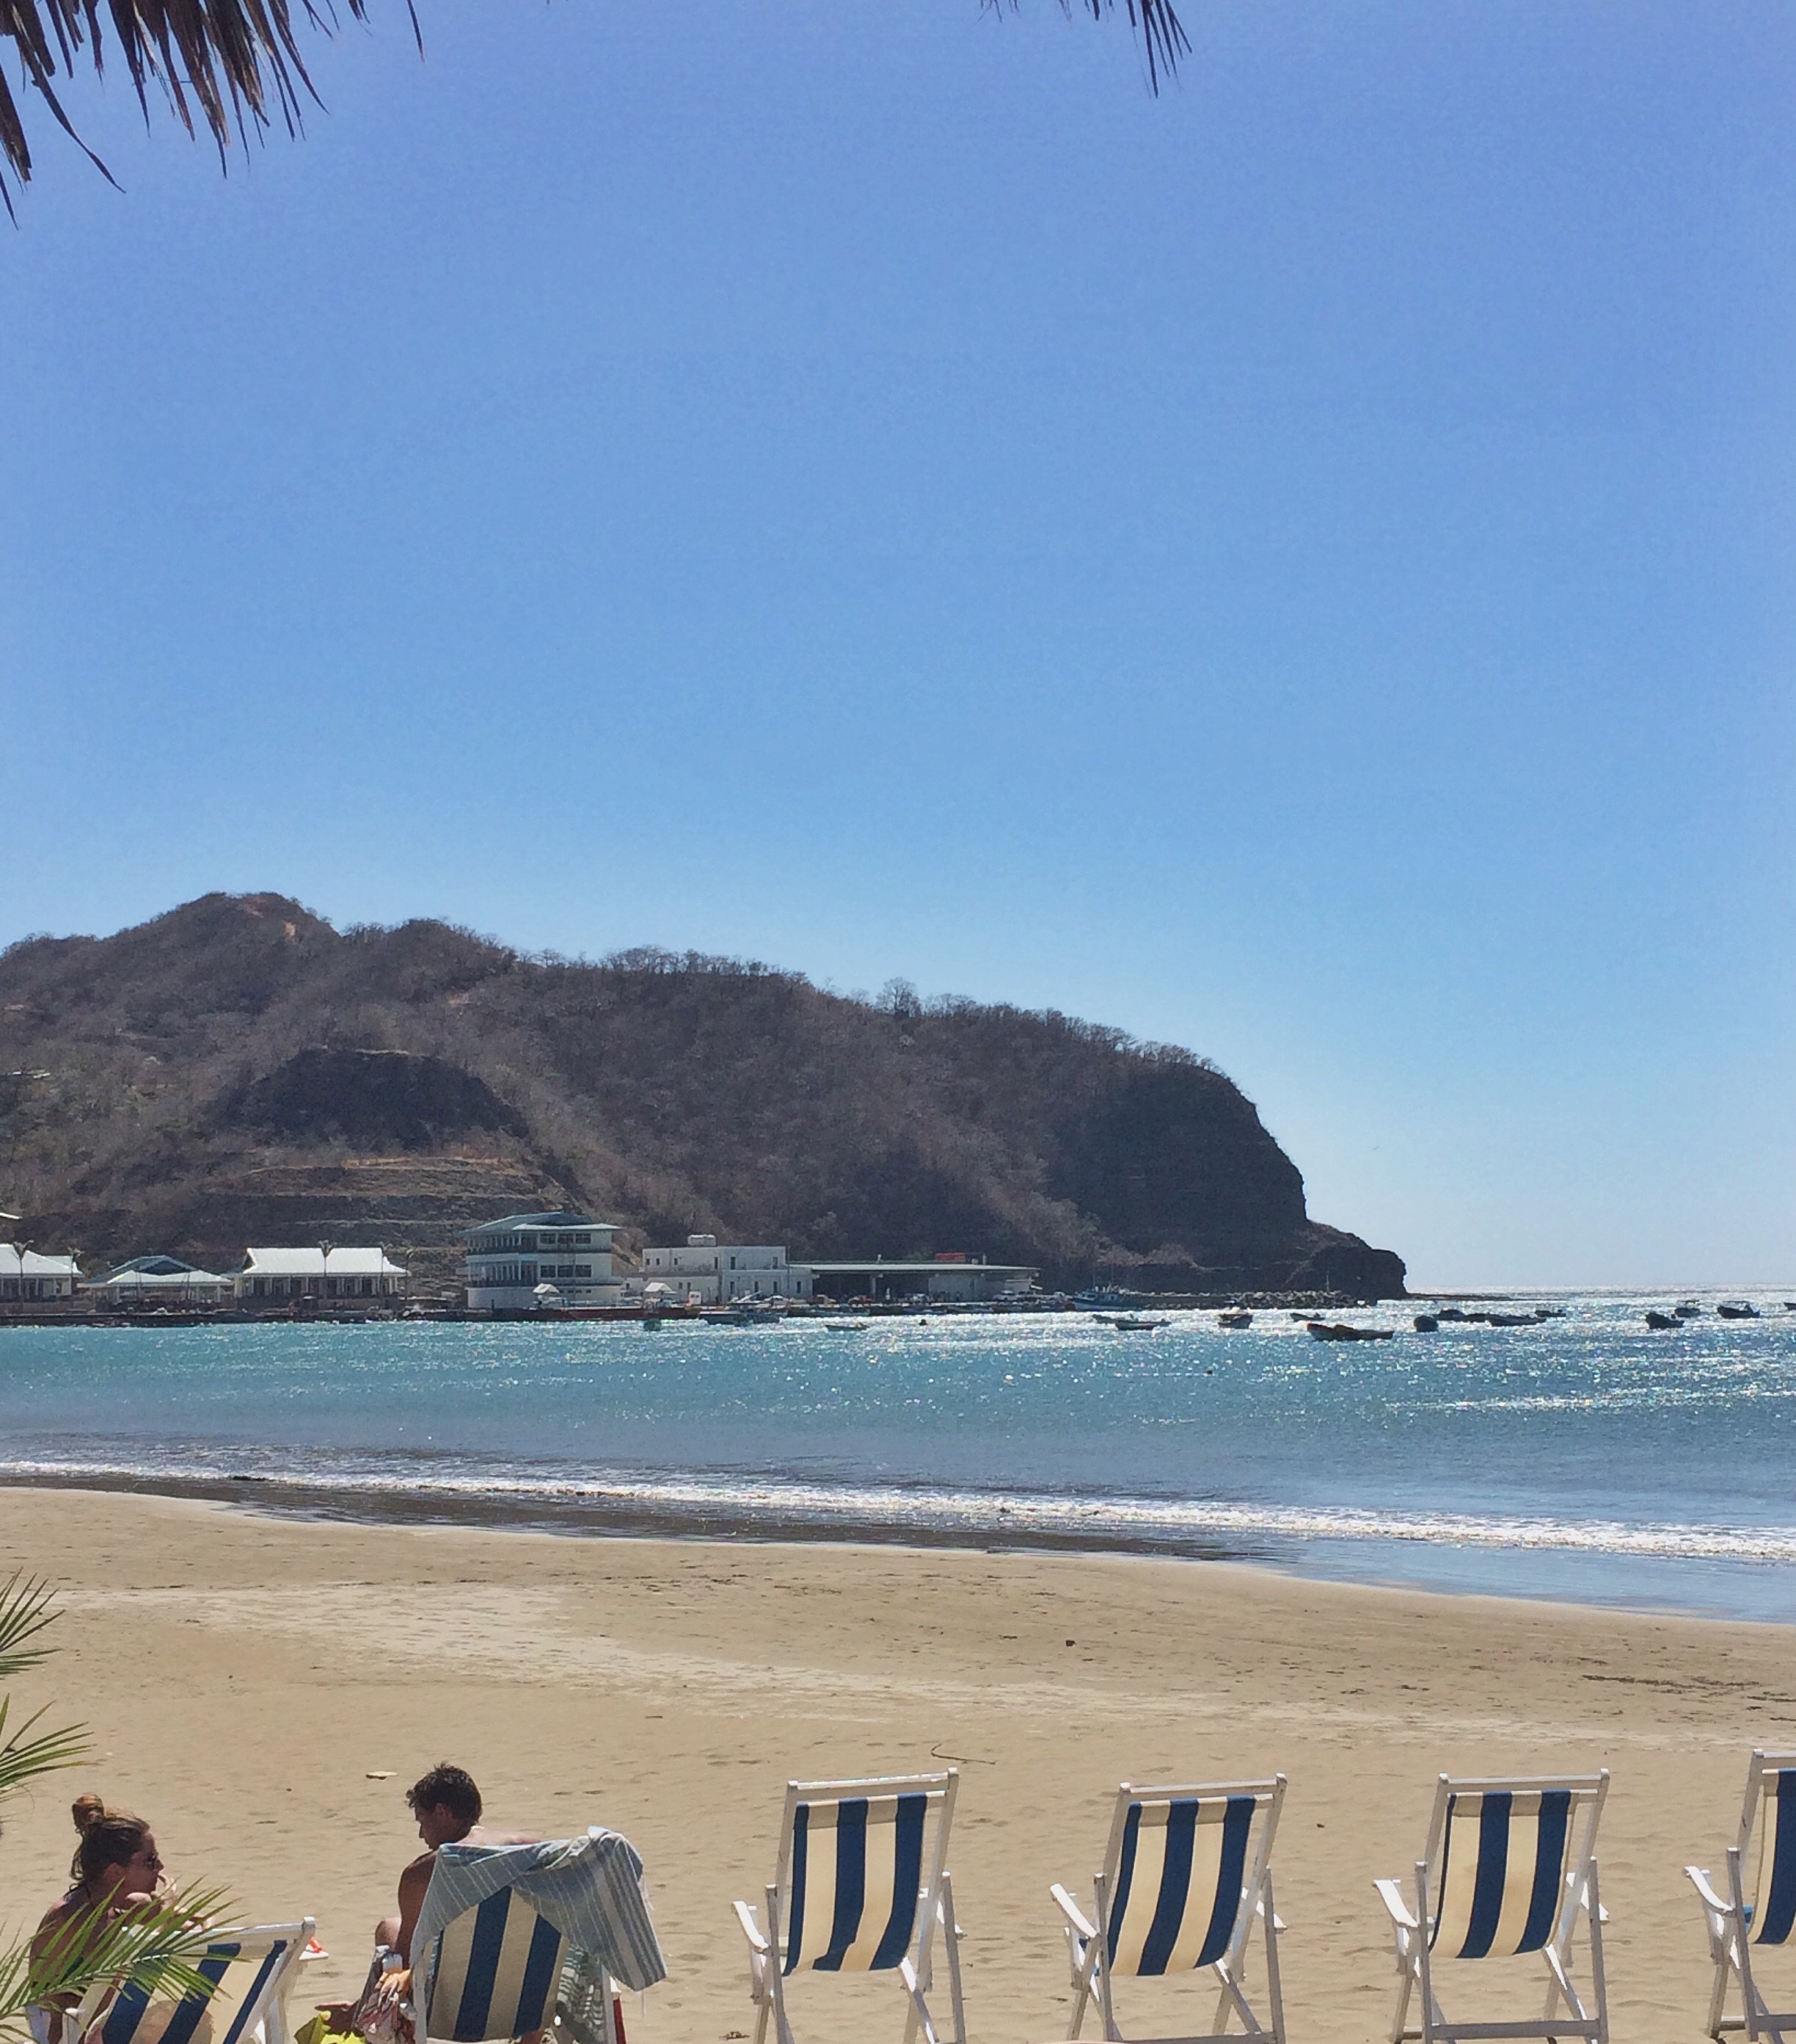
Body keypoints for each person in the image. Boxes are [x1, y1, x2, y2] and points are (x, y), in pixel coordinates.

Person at [29, 1797, 169, 2044]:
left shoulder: (113, 1911)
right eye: (150, 1860)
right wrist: (165, 1906)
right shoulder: (70, 1917)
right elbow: (105, 1956)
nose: (161, 1866)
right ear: (115, 1872)